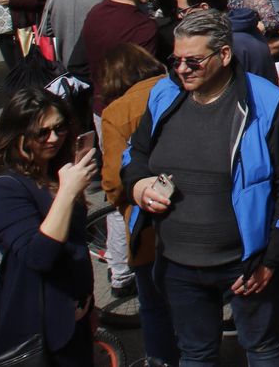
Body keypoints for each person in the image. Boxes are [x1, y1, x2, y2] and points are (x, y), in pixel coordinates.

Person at [122, 9, 279, 367]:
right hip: (177, 263)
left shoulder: (268, 103)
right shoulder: (164, 95)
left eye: (193, 61)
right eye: (175, 60)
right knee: (195, 353)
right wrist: (138, 185)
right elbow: (137, 153)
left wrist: (270, 261)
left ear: (224, 55)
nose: (181, 70)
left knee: (262, 348)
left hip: (244, 265)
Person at [0, 88, 98, 366]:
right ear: (18, 135)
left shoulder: (54, 174)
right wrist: (68, 193)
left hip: (74, 321)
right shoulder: (4, 189)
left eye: (60, 128)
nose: (54, 138)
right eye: (41, 133)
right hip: (38, 332)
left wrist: (89, 302)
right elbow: (38, 255)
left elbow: (76, 246)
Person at [98, 44, 179, 365]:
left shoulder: (117, 112)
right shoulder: (179, 89)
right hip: (198, 218)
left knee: (155, 306)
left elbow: (114, 182)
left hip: (148, 228)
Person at [67, 0, 160, 115]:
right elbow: (145, 81)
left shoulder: (96, 13)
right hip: (131, 114)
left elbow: (77, 64)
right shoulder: (143, 26)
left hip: (101, 108)